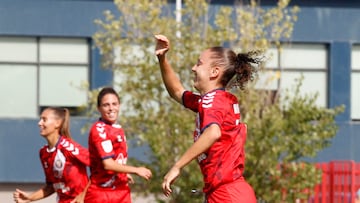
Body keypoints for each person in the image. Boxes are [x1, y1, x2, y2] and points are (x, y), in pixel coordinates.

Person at [155, 34, 260, 203]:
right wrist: (162, 59)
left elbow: (213, 132)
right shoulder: (218, 100)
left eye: (199, 63)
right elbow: (177, 92)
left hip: (227, 195)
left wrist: (177, 166)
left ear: (214, 72)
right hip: (228, 192)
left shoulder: (212, 102)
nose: (193, 68)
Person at [84, 87, 152, 203]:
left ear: (119, 105)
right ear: (98, 108)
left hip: (121, 190)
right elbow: (108, 164)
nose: (111, 108)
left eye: (114, 104)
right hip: (102, 193)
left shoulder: (117, 128)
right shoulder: (99, 130)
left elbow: (116, 160)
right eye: (106, 105)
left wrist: (123, 173)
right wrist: (135, 170)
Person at [13, 107, 90, 203]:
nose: (39, 123)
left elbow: (99, 168)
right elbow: (51, 186)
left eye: (44, 120)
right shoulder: (43, 153)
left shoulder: (69, 148)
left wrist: (82, 196)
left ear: (57, 123)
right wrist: (29, 198)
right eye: (40, 119)